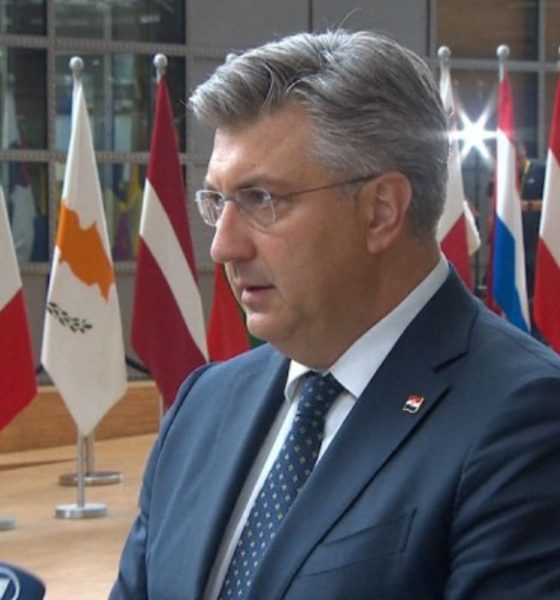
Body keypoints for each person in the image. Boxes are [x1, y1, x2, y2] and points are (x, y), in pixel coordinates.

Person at [110, 30, 560, 599]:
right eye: (217, 202)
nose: (222, 247)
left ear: (381, 211)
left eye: (261, 200)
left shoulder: (527, 419)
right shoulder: (203, 405)